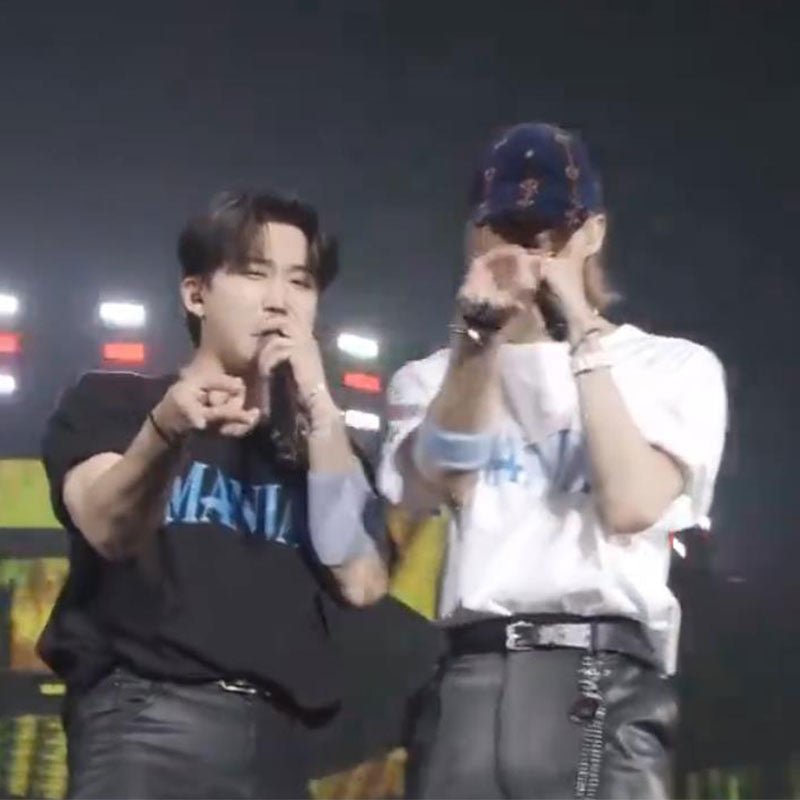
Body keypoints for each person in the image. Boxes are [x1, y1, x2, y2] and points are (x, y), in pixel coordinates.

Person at [39, 190, 440, 799]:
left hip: (277, 742)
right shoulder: (115, 403)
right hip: (147, 723)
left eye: (300, 282)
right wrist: (166, 430)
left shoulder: (323, 453)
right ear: (196, 294)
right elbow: (107, 526)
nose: (279, 300)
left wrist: (318, 407)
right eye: (255, 274)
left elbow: (361, 582)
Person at [379, 122, 728, 799]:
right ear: (475, 235)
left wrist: (581, 335)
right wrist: (478, 338)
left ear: (593, 232)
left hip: (605, 677)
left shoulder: (673, 367)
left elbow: (630, 503)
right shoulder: (430, 377)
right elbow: (443, 480)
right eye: (508, 230)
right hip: (471, 677)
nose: (531, 252)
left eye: (552, 232)